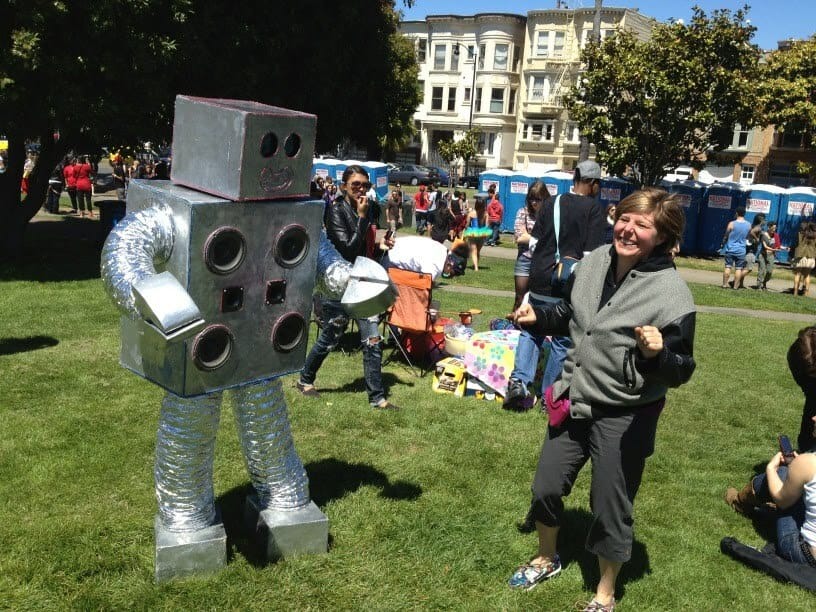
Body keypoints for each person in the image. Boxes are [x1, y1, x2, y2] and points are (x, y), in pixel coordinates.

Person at [507, 188, 696, 611]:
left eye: (642, 224)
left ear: (663, 237)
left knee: (610, 507)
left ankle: (605, 593)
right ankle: (546, 557)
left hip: (624, 415)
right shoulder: (593, 263)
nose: (628, 229)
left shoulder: (672, 294)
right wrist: (541, 316)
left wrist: (657, 355)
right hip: (573, 396)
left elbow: (682, 368)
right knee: (545, 486)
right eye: (624, 218)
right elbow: (572, 314)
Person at [504, 160, 606, 410]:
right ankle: (548, 397)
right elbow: (591, 255)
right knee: (561, 337)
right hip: (568, 282)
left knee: (531, 329)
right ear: (593, 183)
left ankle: (519, 382)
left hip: (540, 275)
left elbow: (534, 242)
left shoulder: (552, 202)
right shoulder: (594, 209)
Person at [297, 165, 399, 411]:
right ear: (344, 187)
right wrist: (362, 218)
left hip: (362, 284)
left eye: (366, 185)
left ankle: (377, 398)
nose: (361, 189)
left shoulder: (369, 208)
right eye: (356, 185)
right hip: (338, 283)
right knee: (330, 336)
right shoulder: (335, 211)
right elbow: (347, 249)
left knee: (372, 340)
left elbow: (364, 250)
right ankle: (305, 379)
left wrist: (382, 245)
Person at [512, 181, 547, 310]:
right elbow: (519, 238)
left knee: (537, 300)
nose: (534, 203)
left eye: (538, 199)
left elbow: (551, 239)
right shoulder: (523, 212)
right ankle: (514, 322)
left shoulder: (549, 214)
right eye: (531, 199)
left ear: (545, 198)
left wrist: (529, 236)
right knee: (520, 299)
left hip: (542, 261)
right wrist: (539, 239)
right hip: (525, 259)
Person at [720, 207, 751, 289]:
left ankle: (724, 284)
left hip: (730, 249)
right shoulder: (748, 225)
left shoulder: (731, 224)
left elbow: (726, 235)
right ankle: (735, 286)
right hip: (741, 250)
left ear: (737, 213)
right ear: (744, 213)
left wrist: (723, 243)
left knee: (728, 267)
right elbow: (748, 237)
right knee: (738, 269)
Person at [462, 195, 490, 271]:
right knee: (478, 251)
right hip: (481, 234)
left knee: (474, 250)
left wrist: (466, 230)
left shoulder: (471, 213)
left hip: (473, 233)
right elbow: (487, 225)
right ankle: (476, 265)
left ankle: (476, 267)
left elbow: (467, 224)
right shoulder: (486, 214)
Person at [755, 221, 783, 291]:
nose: (774, 230)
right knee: (761, 270)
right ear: (769, 227)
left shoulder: (776, 235)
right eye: (773, 228)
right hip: (763, 255)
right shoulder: (763, 235)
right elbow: (765, 246)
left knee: (769, 272)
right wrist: (774, 250)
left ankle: (764, 282)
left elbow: (778, 246)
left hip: (771, 255)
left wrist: (785, 248)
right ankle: (759, 286)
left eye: (775, 228)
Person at [792, 222, 816, 297]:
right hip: (811, 257)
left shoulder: (800, 234)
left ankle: (795, 292)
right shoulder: (814, 236)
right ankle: (806, 293)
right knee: (807, 275)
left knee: (797, 274)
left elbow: (795, 244)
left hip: (800, 256)